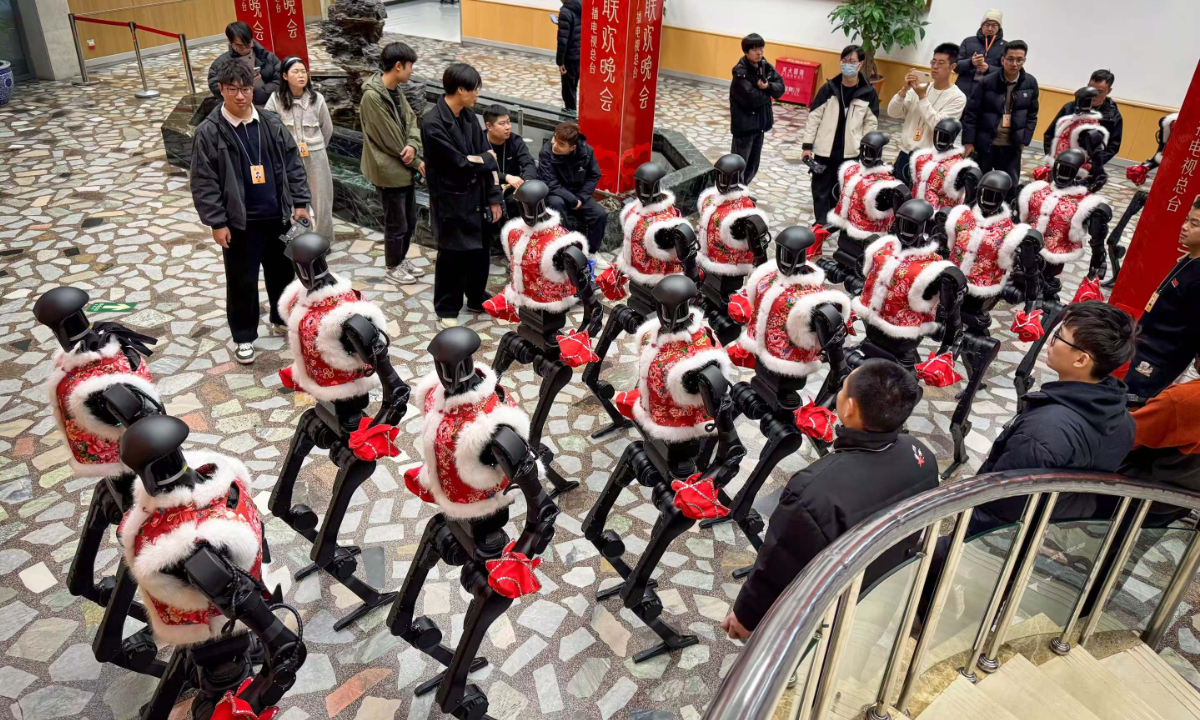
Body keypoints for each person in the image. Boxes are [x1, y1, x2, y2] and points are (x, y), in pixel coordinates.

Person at [721, 359, 938, 639]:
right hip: (883, 588)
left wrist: (745, 616)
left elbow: (778, 565)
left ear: (849, 407)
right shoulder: (922, 456)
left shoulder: (815, 491)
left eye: (843, 390)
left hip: (828, 610)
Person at [970, 302, 1137, 532]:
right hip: (1052, 525)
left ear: (1081, 360)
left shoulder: (1041, 431)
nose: (1051, 340)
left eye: (1059, 335)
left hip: (995, 532)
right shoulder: (1124, 419)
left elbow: (1001, 504)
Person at [190, 61, 311, 365]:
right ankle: (244, 335)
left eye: (245, 89)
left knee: (282, 273)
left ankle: (281, 317)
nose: (241, 96)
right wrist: (216, 222)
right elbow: (203, 182)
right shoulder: (210, 131)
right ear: (221, 90)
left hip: (277, 216)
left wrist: (299, 203)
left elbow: (293, 164)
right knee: (242, 281)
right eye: (233, 89)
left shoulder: (269, 122)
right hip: (240, 223)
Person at [422, 63, 503, 328]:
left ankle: (477, 297)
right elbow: (457, 163)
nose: (477, 94)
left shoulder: (469, 116)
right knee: (453, 256)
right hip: (451, 200)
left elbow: (485, 158)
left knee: (480, 252)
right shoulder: (434, 122)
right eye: (474, 89)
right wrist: (481, 160)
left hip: (478, 196)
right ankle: (446, 308)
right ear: (460, 89)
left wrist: (494, 197)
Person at [360, 42, 426, 286]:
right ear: (398, 66)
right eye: (410, 67)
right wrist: (414, 156)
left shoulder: (396, 91)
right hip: (387, 170)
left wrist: (413, 145)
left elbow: (411, 122)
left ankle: (400, 259)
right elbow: (390, 138)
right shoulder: (372, 97)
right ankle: (392, 266)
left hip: (403, 168)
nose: (411, 71)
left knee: (408, 220)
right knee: (396, 223)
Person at [1125, 199, 1200, 399]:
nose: (1184, 227)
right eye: (1187, 220)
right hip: (1146, 342)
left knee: (1133, 404)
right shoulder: (1191, 257)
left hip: (1160, 357)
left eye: (1195, 224)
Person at [801, 45, 880, 227]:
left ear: (860, 65)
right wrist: (807, 146)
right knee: (820, 189)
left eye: (852, 62)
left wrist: (865, 148)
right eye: (844, 61)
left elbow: (871, 123)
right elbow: (814, 117)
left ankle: (834, 222)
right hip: (824, 150)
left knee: (842, 190)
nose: (847, 65)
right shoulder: (829, 88)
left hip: (851, 152)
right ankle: (821, 224)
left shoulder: (868, 92)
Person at [265, 57, 334, 243]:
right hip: (288, 158)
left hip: (316, 155)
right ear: (285, 76)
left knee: (322, 199)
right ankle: (301, 240)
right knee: (294, 198)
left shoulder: (317, 99)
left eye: (304, 71)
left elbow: (327, 129)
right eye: (296, 72)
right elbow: (268, 129)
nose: (301, 75)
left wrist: (316, 148)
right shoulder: (275, 99)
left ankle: (324, 241)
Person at [887, 43, 967, 186]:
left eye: (941, 63)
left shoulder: (957, 97)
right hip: (906, 153)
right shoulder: (921, 88)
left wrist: (922, 98)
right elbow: (892, 112)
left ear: (952, 67)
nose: (935, 66)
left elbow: (939, 126)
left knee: (920, 202)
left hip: (930, 159)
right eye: (933, 62)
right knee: (898, 197)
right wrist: (904, 90)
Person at [962, 40, 1038, 190]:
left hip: (1012, 146)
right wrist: (969, 142)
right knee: (977, 186)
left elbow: (1032, 114)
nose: (1014, 64)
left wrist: (1024, 140)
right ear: (1003, 60)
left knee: (1009, 187)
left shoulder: (1030, 83)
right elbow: (971, 114)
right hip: (985, 144)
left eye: (1019, 60)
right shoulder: (987, 82)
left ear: (1024, 60)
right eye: (1010, 59)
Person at [538, 121, 607, 253]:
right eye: (555, 139)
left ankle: (592, 252)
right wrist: (573, 200)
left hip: (579, 192)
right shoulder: (546, 152)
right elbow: (550, 182)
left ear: (572, 148)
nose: (555, 145)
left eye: (561, 144)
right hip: (556, 192)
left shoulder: (586, 152)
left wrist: (581, 197)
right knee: (556, 204)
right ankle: (566, 248)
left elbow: (594, 175)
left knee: (600, 214)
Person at [729, 33, 786, 187]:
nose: (759, 52)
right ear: (746, 52)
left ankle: (743, 191)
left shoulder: (765, 66)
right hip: (745, 127)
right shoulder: (740, 72)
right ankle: (734, 194)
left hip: (760, 125)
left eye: (761, 48)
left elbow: (781, 87)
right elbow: (752, 99)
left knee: (753, 165)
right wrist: (769, 94)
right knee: (738, 164)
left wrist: (768, 86)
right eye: (755, 49)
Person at [483, 104, 539, 255]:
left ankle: (516, 244)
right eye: (502, 124)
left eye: (509, 122)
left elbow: (528, 163)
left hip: (512, 188)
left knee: (518, 201)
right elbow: (480, 169)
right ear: (489, 126)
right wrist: (506, 177)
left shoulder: (515, 141)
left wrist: (526, 181)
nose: (508, 127)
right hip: (486, 185)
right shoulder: (479, 141)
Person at [1044, 69, 1124, 169]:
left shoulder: (1113, 116)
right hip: (1060, 161)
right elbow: (1050, 134)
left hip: (1088, 167)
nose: (1094, 95)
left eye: (1100, 92)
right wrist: (1051, 157)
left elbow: (1113, 146)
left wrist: (1094, 164)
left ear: (1109, 91)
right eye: (1091, 89)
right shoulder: (1070, 107)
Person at [207, 22, 281, 107]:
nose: (245, 49)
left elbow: (280, 79)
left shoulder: (267, 57)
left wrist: (260, 94)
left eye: (248, 45)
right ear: (230, 43)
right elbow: (216, 87)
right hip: (240, 105)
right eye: (239, 46)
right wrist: (243, 84)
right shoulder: (220, 64)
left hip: (270, 101)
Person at [955, 9, 1006, 100]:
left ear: (999, 28)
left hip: (988, 94)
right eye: (987, 25)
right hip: (961, 92)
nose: (990, 28)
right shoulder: (968, 41)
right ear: (981, 26)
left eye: (994, 25)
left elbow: (1007, 73)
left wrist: (988, 69)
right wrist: (971, 62)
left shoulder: (1005, 47)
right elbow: (955, 66)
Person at [556, 0, 582, 115]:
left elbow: (562, 41)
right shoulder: (583, 6)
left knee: (569, 90)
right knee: (575, 85)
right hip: (582, 54)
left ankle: (570, 117)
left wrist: (560, 61)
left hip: (570, 57)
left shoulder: (565, 11)